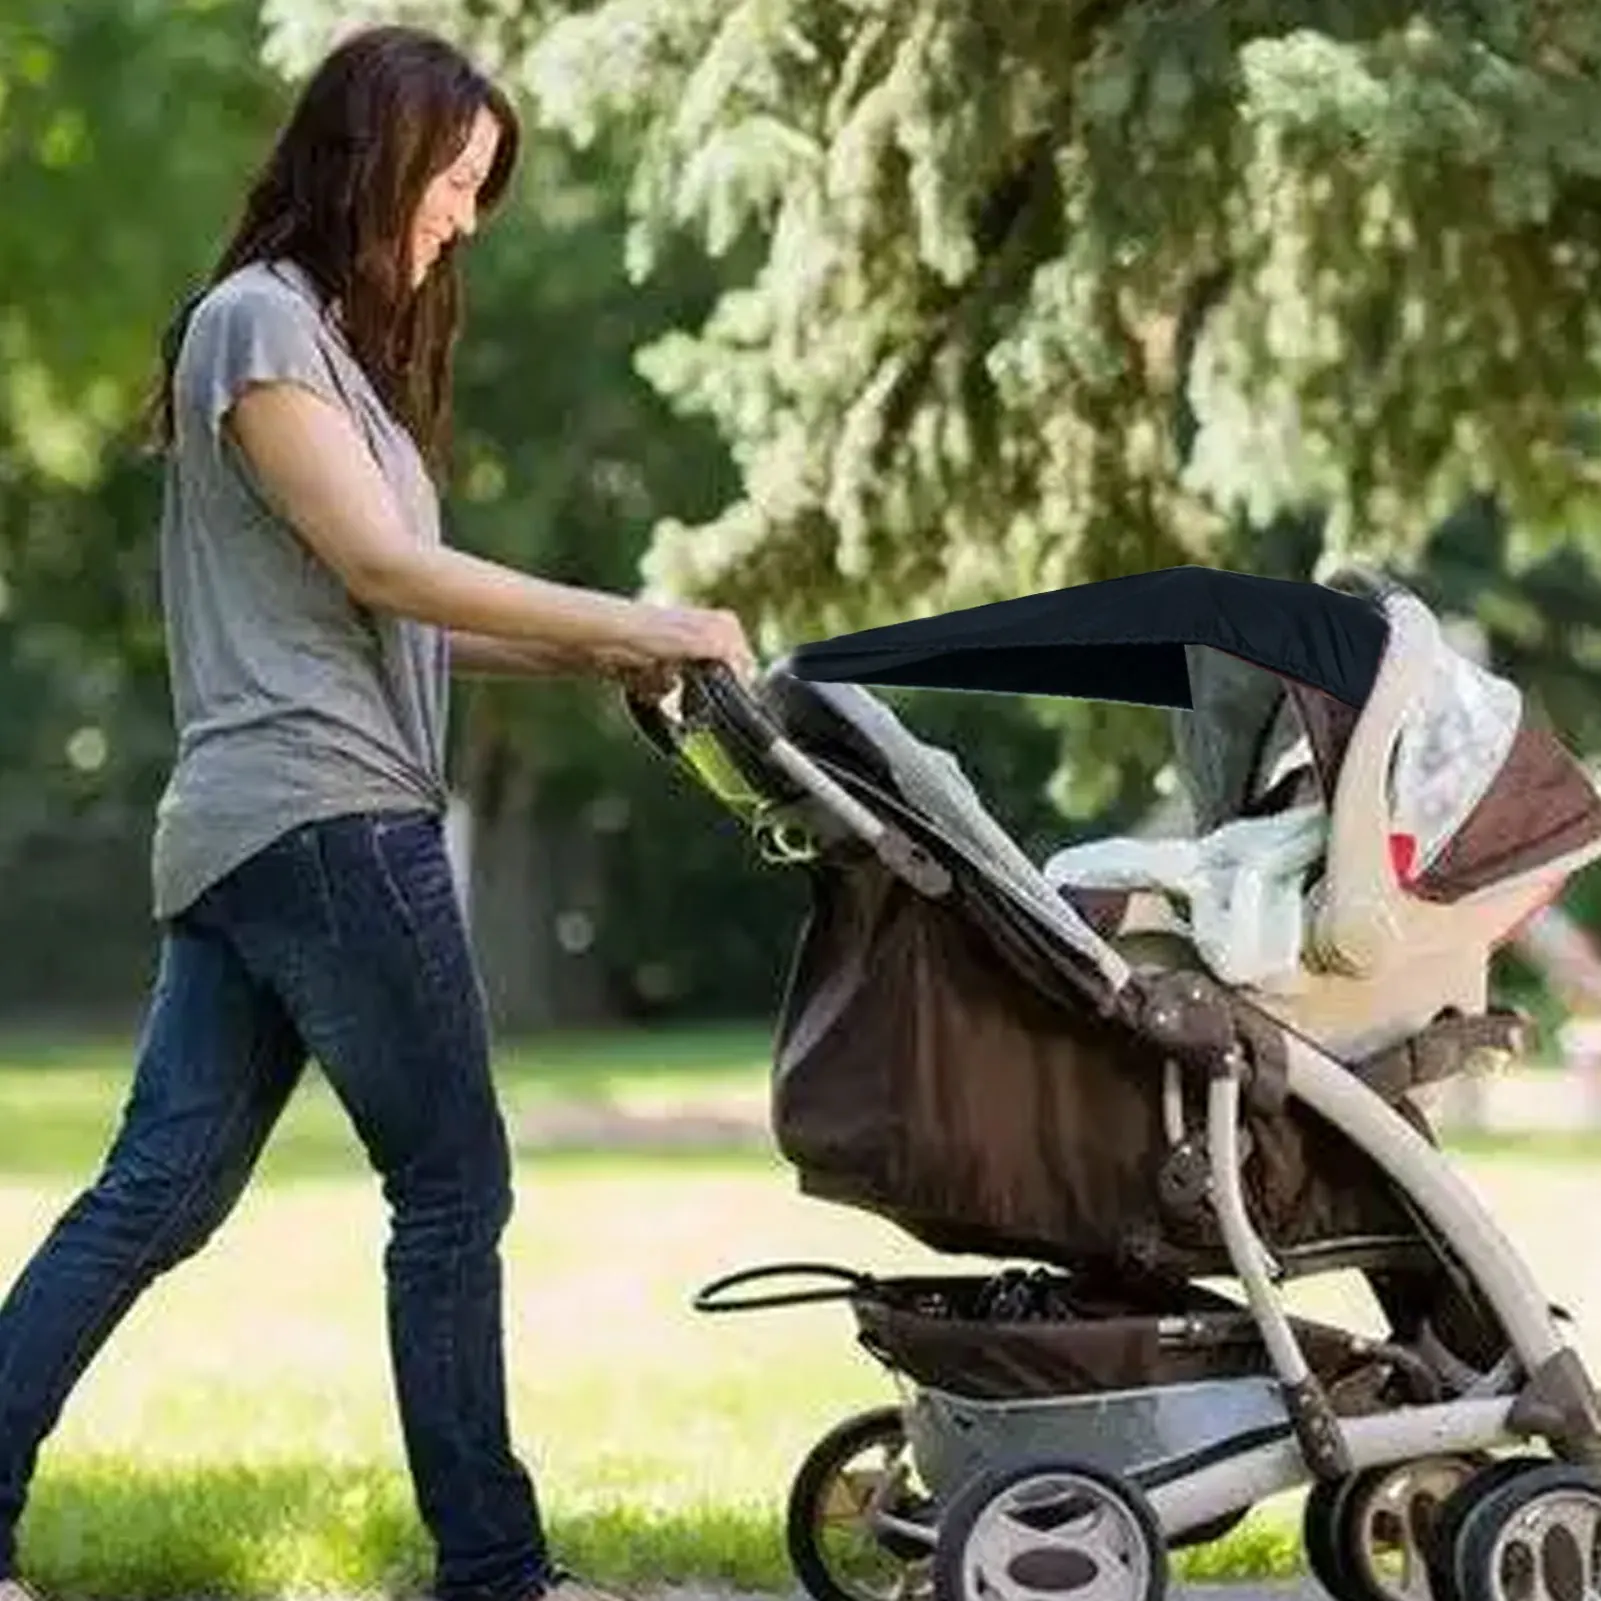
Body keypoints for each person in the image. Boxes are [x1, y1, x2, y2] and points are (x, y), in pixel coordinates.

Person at [0, 24, 753, 1601]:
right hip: (328, 825)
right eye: (453, 182)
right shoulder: (257, 329)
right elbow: (385, 569)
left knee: (159, 1195)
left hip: (259, 833)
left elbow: (402, 614)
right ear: (373, 158)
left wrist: (599, 653)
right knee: (455, 1186)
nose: (463, 219)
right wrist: (639, 617)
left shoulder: (323, 354)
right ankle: (496, 1571)